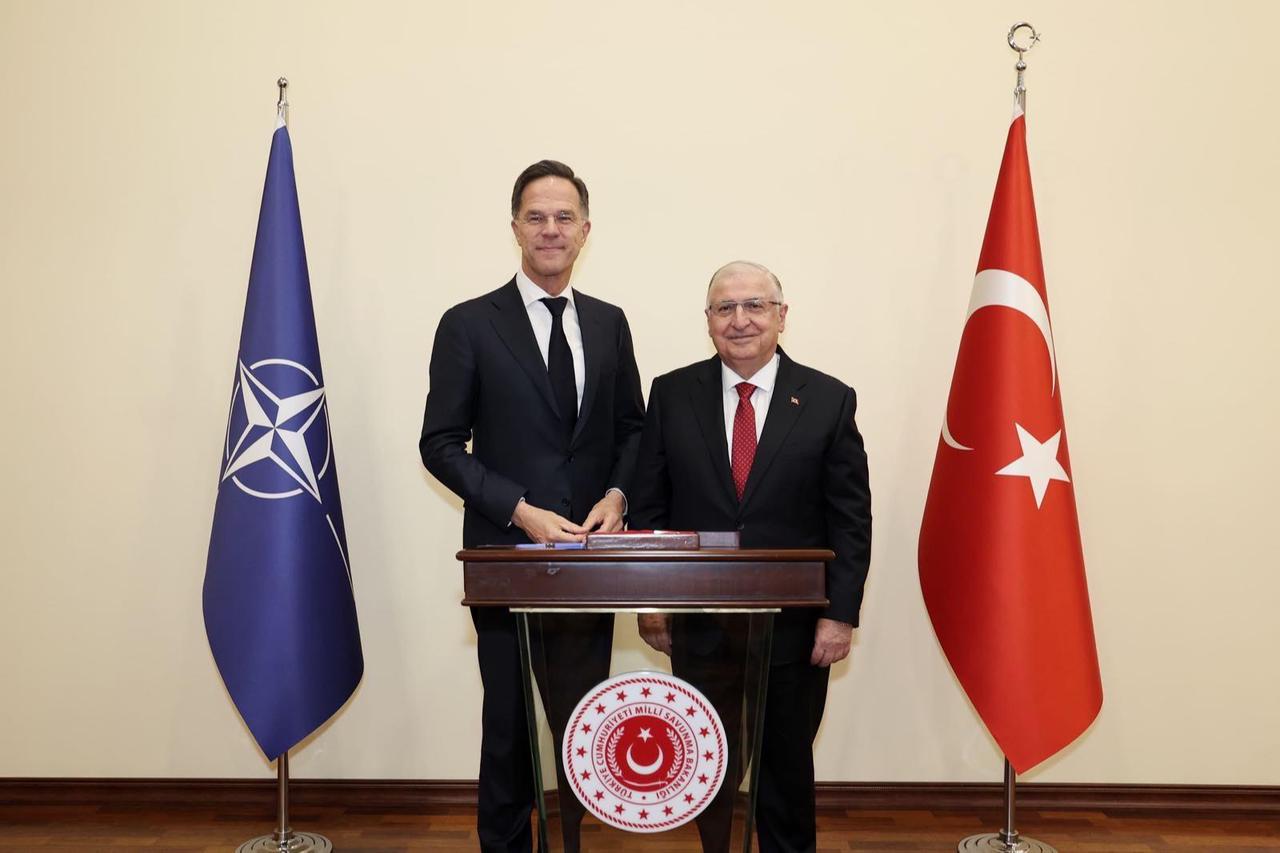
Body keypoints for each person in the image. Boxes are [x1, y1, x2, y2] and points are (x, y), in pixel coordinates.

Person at [419, 160, 645, 852]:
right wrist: (519, 509)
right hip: (506, 559)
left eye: (564, 217)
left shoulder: (609, 323)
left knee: (583, 727)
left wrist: (617, 495)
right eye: (536, 216)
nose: (551, 229)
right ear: (515, 227)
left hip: (591, 562)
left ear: (585, 230)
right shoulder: (468, 323)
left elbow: (633, 430)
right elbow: (440, 444)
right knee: (510, 731)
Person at [629, 260, 871, 853]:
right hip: (699, 622)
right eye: (725, 308)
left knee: (785, 774)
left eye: (755, 306)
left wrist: (839, 615)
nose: (740, 320)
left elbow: (850, 518)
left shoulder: (829, 399)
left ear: (782, 316)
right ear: (708, 320)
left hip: (794, 629)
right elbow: (651, 508)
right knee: (707, 769)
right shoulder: (671, 393)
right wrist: (651, 602)